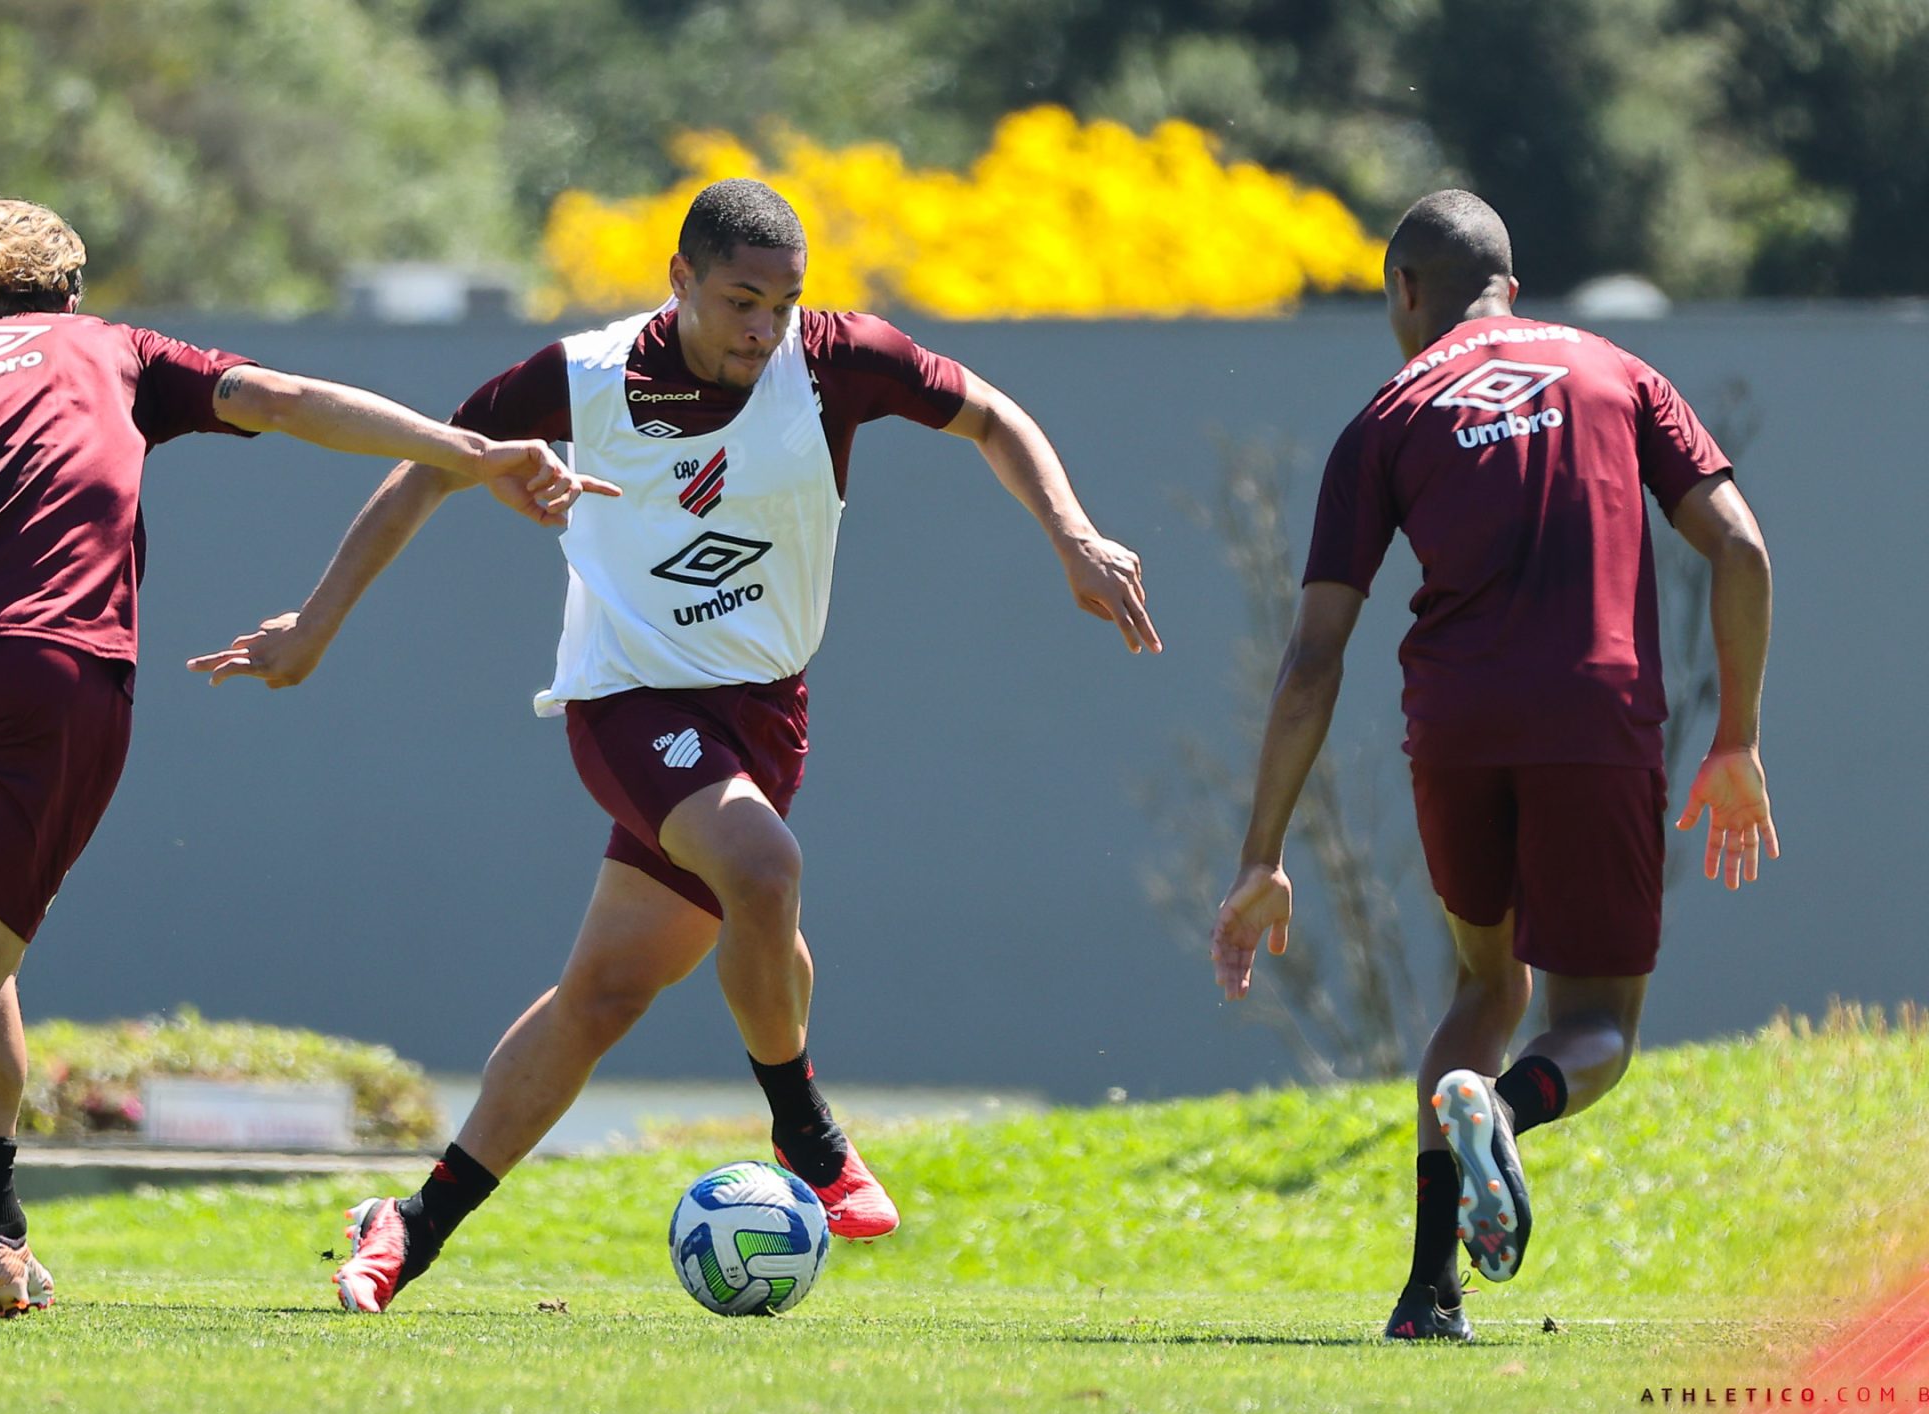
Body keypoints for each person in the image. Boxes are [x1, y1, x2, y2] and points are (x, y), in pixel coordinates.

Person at [193, 178, 1162, 1313]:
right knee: (764, 870)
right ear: (680, 281)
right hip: (628, 699)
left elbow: (994, 415)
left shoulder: (838, 358)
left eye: (784, 302)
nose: (765, 327)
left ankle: (409, 1224)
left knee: (606, 995)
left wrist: (1072, 533)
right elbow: (426, 471)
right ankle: (805, 1126)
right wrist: (312, 628)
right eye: (742, 300)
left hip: (766, 712)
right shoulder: (582, 378)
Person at [0, 194, 598, 1318]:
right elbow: (292, 400)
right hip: (53, 670)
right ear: (66, 285)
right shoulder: (112, 348)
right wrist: (465, 451)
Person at [1207, 190, 1779, 1341]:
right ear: (1509, 287)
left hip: (1455, 726)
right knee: (1598, 1025)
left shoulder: (1384, 417)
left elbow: (1313, 657)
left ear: (1404, 292)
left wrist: (1262, 856)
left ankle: (1427, 1296)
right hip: (1595, 719)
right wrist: (1737, 740)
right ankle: (1506, 1112)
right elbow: (1741, 548)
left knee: (1484, 985)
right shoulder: (1621, 375)